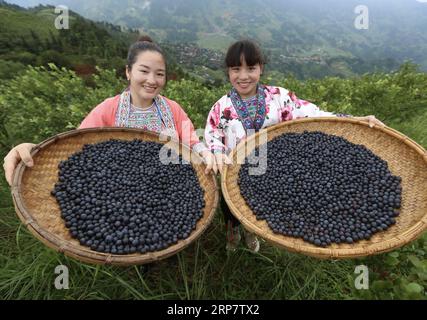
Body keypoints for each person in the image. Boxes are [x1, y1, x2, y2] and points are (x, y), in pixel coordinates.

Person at [204, 39, 385, 253]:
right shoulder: (220, 107)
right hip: (234, 174)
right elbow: (213, 135)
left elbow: (312, 113)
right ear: (228, 71)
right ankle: (232, 235)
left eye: (251, 68)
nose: (243, 76)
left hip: (276, 174)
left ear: (261, 68)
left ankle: (250, 233)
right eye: (236, 69)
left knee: (255, 211)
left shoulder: (279, 98)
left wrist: (354, 120)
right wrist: (215, 153)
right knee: (231, 210)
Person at [3, 36, 217, 185]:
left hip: (168, 189)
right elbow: (75, 147)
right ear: (128, 72)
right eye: (144, 71)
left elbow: (192, 142)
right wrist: (36, 151)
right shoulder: (108, 109)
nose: (152, 80)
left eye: (160, 74)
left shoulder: (172, 109)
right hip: (117, 188)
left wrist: (206, 153)